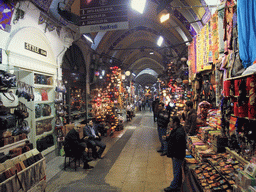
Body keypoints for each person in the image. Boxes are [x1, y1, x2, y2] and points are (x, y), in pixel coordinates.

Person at [164, 116, 186, 192]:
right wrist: (167, 138)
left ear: (175, 122)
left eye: (171, 122)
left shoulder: (179, 132)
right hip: (176, 154)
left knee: (176, 171)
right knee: (177, 171)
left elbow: (179, 145)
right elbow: (173, 139)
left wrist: (176, 155)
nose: (170, 123)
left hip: (177, 155)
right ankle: (177, 185)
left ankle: (173, 186)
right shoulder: (177, 130)